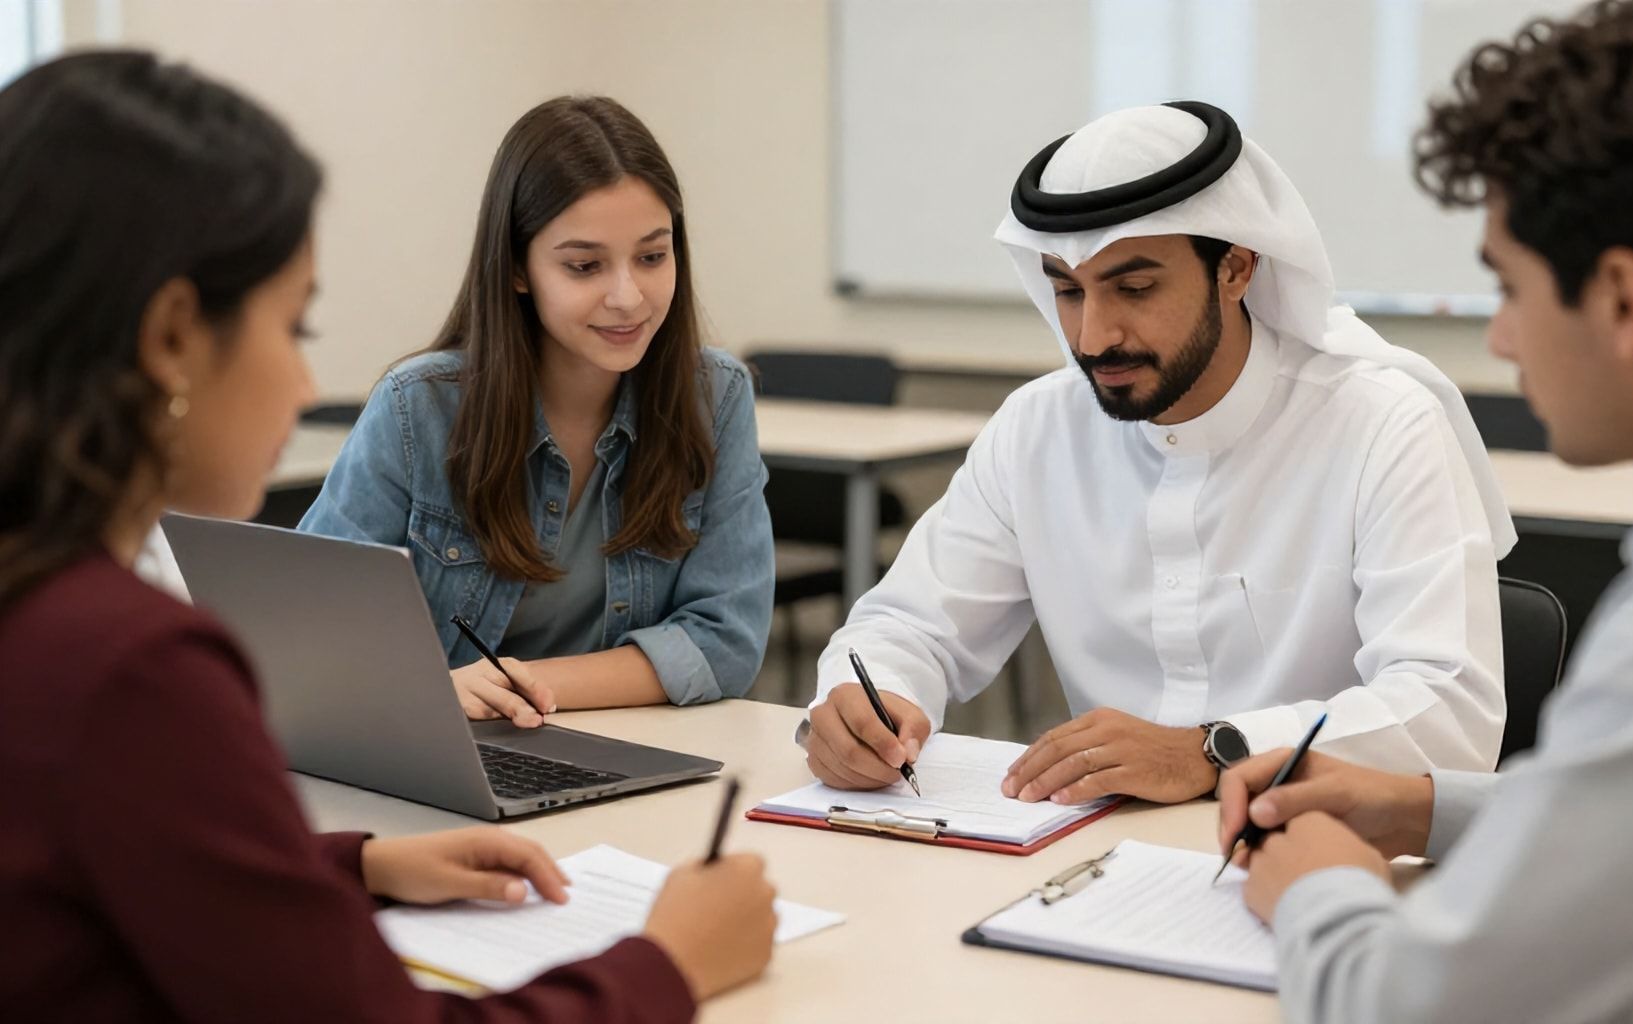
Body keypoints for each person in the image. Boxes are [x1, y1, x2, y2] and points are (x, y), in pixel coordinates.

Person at [0, 51, 776, 1021]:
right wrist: (668, 963)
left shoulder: (45, 615)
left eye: (652, 254)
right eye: (296, 326)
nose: (301, 386)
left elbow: (130, 850)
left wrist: (349, 863)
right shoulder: (136, 669)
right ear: (170, 338)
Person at [1216, 2, 1633, 1020]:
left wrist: (1312, 880)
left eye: (1509, 288)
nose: (1508, 342)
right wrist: (1420, 804)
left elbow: (1416, 1003)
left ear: (1621, 298)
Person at [804, 100, 1515, 804]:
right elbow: (910, 625)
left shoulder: (1382, 424)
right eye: (1067, 291)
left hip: (1318, 853)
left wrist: (1213, 749)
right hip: (1091, 853)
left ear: (1235, 269)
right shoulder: (1037, 428)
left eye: (1135, 288)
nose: (1093, 338)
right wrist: (868, 700)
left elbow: (1446, 714)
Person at [300, 96, 773, 726]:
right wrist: (431, 693)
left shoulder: (714, 396)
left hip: (619, 750)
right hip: (443, 748)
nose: (628, 297)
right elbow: (308, 628)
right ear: (519, 268)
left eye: (653, 257)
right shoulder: (419, 408)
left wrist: (504, 687)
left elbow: (725, 641)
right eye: (585, 266)